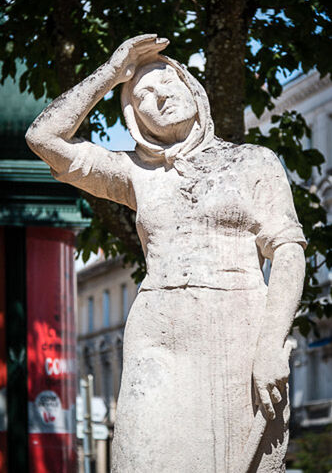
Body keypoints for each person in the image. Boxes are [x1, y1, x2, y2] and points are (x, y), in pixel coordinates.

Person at [26, 34, 306, 472]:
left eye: (166, 83)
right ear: (135, 118)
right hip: (159, 333)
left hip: (240, 326)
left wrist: (271, 343)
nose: (160, 98)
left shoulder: (255, 161)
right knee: (139, 458)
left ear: (191, 86)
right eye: (143, 98)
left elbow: (288, 249)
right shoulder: (136, 173)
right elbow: (44, 137)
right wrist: (111, 74)